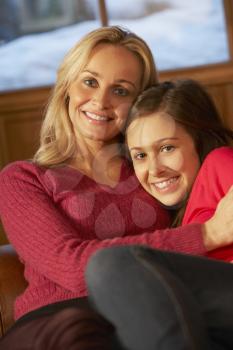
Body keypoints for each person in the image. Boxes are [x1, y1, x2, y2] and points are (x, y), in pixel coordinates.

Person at [0, 26, 232, 349]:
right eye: (90, 82)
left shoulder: (150, 171)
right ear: (67, 86)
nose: (101, 101)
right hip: (63, 319)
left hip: (157, 310)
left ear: (138, 104)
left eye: (120, 91)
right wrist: (209, 234)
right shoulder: (23, 178)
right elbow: (71, 267)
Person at [85, 80, 233, 350]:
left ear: (200, 142)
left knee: (110, 265)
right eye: (140, 156)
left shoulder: (220, 163)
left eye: (167, 148)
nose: (154, 170)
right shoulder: (177, 222)